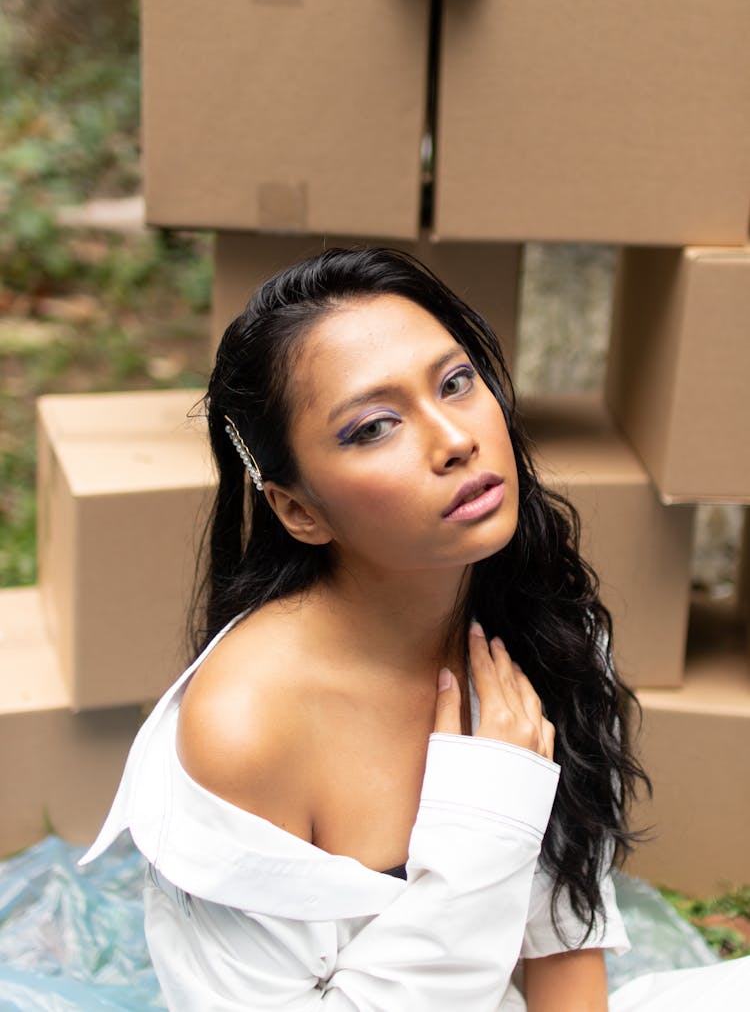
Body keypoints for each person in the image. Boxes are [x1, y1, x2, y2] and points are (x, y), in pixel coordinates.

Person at [81, 247, 750, 1010]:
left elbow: (565, 952)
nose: (455, 437)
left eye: (456, 382)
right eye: (374, 427)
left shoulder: (531, 625)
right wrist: (487, 818)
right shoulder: (249, 725)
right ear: (298, 508)